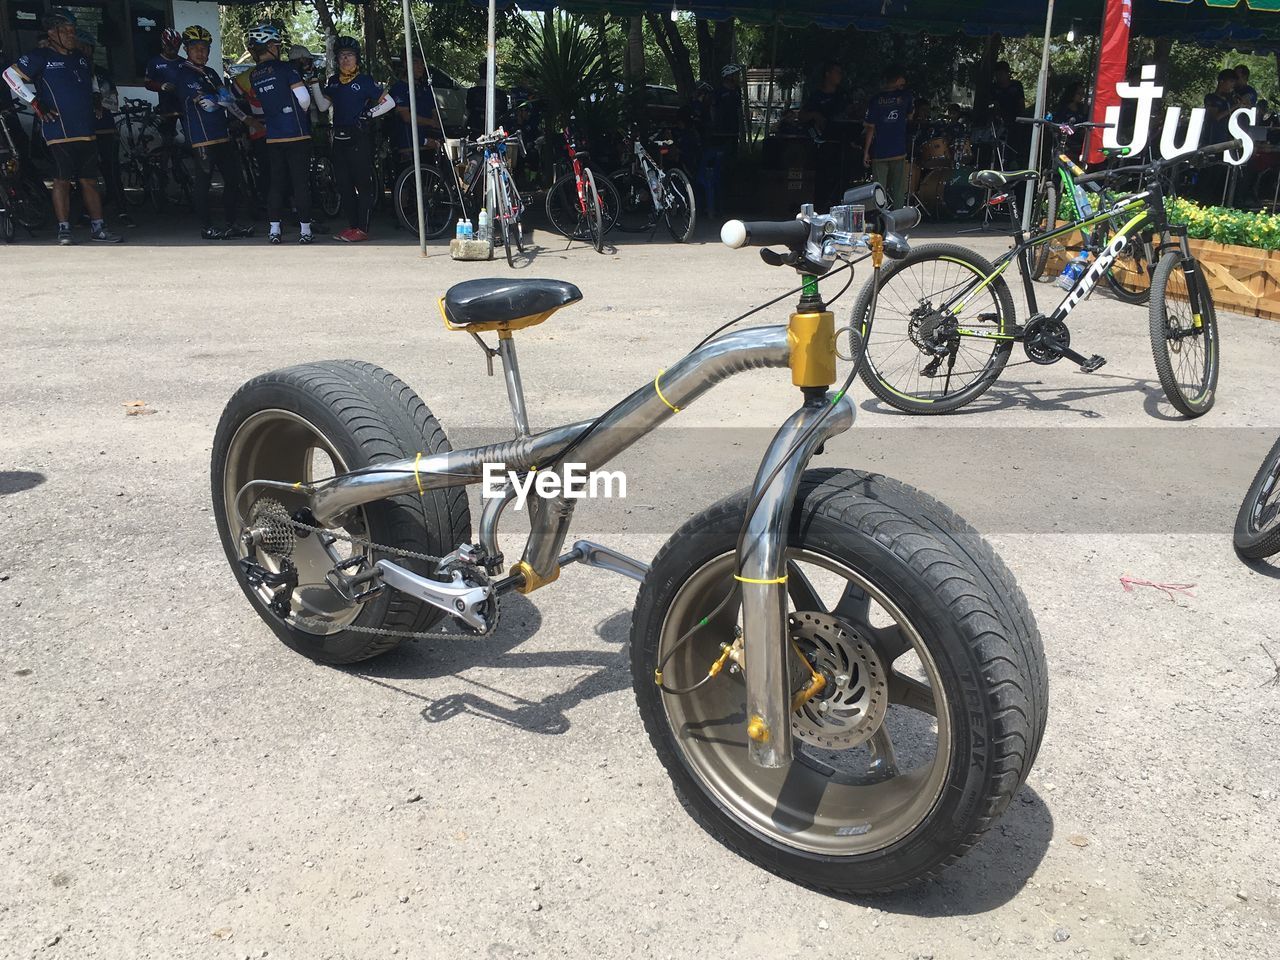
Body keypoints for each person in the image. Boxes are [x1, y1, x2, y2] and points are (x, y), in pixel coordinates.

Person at [2, 8, 121, 244]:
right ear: (52, 32)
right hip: (59, 131)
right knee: (62, 180)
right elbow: (9, 75)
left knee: (89, 180)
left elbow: (93, 80)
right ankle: (64, 229)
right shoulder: (40, 56)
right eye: (65, 31)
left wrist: (96, 97)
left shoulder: (80, 57)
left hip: (86, 130)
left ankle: (98, 227)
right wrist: (35, 102)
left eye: (72, 31)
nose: (70, 35)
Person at [308, 37, 393, 242]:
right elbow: (321, 106)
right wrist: (314, 84)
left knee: (362, 183)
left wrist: (369, 113)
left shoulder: (364, 80)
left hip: (359, 136)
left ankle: (362, 228)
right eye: (342, 56)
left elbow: (389, 102)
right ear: (337, 59)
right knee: (343, 184)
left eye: (350, 55)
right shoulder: (334, 82)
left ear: (357, 59)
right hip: (338, 137)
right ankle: (352, 226)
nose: (346, 59)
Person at [175, 24, 254, 240]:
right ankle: (206, 227)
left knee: (233, 179)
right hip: (202, 138)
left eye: (204, 48)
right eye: (195, 48)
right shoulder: (184, 74)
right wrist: (222, 99)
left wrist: (246, 119)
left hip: (222, 134)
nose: (201, 53)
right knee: (204, 182)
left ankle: (232, 223)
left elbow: (225, 101)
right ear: (186, 50)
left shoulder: (210, 73)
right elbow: (209, 104)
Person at [247, 22, 314, 244]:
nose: (278, 48)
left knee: (276, 183)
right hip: (297, 133)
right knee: (299, 182)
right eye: (275, 44)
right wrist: (301, 111)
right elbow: (304, 99)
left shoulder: (255, 75)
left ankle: (274, 229)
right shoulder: (286, 69)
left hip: (273, 136)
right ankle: (305, 230)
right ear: (267, 47)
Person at [76, 29, 131, 227]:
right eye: (78, 47)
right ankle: (86, 212)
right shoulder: (70, 72)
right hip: (80, 131)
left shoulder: (101, 72)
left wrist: (98, 103)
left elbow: (112, 101)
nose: (82, 51)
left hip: (105, 129)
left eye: (86, 47)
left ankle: (122, 210)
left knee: (112, 172)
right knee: (84, 174)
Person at [862, 65, 913, 209]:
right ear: (897, 79)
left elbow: (870, 128)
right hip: (898, 149)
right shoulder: (905, 96)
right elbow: (910, 116)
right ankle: (897, 220)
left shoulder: (875, 100)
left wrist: (866, 151)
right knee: (898, 189)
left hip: (880, 151)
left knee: (878, 189)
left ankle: (880, 218)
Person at [389, 53, 442, 165]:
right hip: (409, 145)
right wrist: (431, 122)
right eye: (415, 62)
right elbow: (406, 117)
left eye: (422, 63)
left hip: (429, 143)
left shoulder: (425, 88)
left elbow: (434, 111)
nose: (420, 66)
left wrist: (435, 124)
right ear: (405, 64)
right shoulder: (399, 88)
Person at [144, 27, 184, 143]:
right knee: (168, 140)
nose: (174, 50)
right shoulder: (154, 62)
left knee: (191, 138)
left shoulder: (183, 62)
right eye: (170, 47)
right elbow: (147, 83)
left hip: (184, 106)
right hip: (167, 107)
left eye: (176, 47)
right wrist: (162, 86)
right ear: (163, 45)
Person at [798, 61, 849, 133]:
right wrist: (814, 115)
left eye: (840, 72)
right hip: (823, 138)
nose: (840, 75)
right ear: (827, 74)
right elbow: (801, 116)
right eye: (837, 72)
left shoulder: (843, 94)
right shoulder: (816, 96)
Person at [465, 61, 506, 135]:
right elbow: (504, 114)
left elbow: (467, 112)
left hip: (475, 128)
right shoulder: (501, 94)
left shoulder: (472, 92)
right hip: (494, 131)